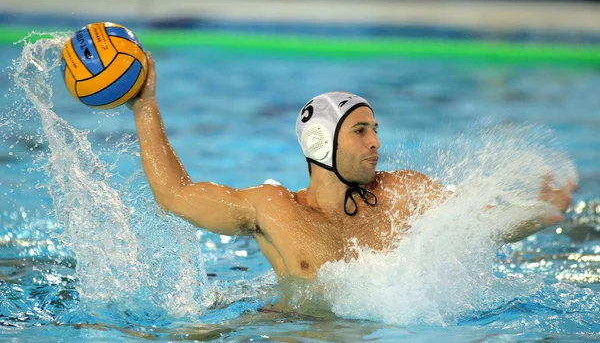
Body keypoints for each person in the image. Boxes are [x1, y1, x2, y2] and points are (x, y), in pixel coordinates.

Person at [130, 52, 576, 281]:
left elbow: (479, 223)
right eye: (361, 130)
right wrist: (145, 105)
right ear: (322, 142)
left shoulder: (402, 192)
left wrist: (538, 214)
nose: (376, 142)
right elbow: (174, 196)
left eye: (376, 129)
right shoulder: (275, 210)